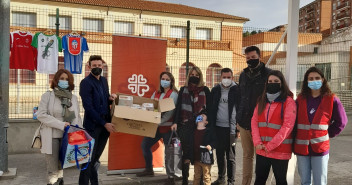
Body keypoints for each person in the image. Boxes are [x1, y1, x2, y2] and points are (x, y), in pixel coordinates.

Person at [294, 67, 347, 185]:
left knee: (320, 182)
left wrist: (327, 134)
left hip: (320, 148)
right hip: (302, 147)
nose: (314, 81)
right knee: (305, 181)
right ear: (306, 81)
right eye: (311, 78)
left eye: (317, 78)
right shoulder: (300, 99)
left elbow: (341, 122)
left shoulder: (332, 99)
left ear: (323, 80)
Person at [37, 69, 82, 185]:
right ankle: (52, 182)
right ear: (56, 80)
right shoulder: (47, 96)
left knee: (62, 166)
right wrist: (61, 124)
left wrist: (79, 132)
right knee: (52, 169)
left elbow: (77, 117)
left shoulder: (73, 98)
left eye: (67, 79)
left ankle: (60, 180)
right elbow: (41, 115)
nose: (64, 81)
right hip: (51, 134)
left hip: (68, 135)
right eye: (62, 79)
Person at [251, 70, 296, 185]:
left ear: (282, 83)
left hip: (280, 151)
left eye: (276, 81)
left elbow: (287, 127)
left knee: (281, 181)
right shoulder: (261, 100)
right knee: (259, 180)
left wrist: (270, 145)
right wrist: (257, 142)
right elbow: (254, 122)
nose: (272, 83)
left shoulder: (288, 102)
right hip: (262, 150)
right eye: (270, 81)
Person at [79, 55, 117, 185]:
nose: (97, 68)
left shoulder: (104, 81)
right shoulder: (85, 83)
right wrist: (104, 123)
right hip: (93, 127)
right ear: (89, 67)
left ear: (102, 66)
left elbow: (103, 100)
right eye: (94, 66)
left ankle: (94, 182)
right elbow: (88, 107)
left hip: (105, 126)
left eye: (99, 66)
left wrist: (110, 98)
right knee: (88, 160)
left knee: (95, 159)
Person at [236, 46, 271, 185]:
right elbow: (240, 97)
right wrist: (238, 120)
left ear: (259, 57)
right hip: (244, 122)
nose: (250, 60)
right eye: (247, 58)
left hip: (261, 123)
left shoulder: (268, 74)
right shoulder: (243, 75)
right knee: (247, 156)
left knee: (262, 156)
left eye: (252, 57)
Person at [137, 72, 179, 185]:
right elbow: (151, 105)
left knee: (169, 153)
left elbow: (170, 113)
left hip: (167, 128)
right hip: (155, 127)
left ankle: (171, 177)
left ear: (171, 81)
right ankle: (149, 170)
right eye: (163, 79)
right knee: (145, 145)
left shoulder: (173, 94)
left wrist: (158, 122)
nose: (164, 81)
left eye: (167, 79)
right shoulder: (157, 93)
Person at [171, 66, 211, 185]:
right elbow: (178, 107)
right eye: (192, 74)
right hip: (185, 126)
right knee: (186, 154)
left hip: (200, 127)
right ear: (189, 76)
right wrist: (175, 122)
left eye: (197, 75)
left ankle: (200, 180)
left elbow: (209, 109)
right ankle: (185, 180)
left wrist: (207, 123)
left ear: (200, 77)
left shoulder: (205, 90)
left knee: (200, 153)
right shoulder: (183, 89)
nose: (194, 76)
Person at [209, 68, 240, 185]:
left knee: (230, 156)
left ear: (232, 78)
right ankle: (221, 178)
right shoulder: (215, 90)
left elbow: (240, 109)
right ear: (220, 77)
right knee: (220, 155)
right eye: (224, 77)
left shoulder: (237, 90)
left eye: (228, 77)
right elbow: (211, 107)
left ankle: (231, 181)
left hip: (231, 129)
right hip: (218, 127)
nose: (226, 79)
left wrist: (238, 128)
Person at [190, 114, 215, 185]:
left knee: (206, 177)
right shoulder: (193, 131)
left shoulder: (209, 131)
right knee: (196, 176)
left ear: (206, 122)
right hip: (196, 158)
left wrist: (211, 146)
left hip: (206, 159)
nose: (201, 117)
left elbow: (214, 141)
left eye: (203, 116)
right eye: (200, 116)